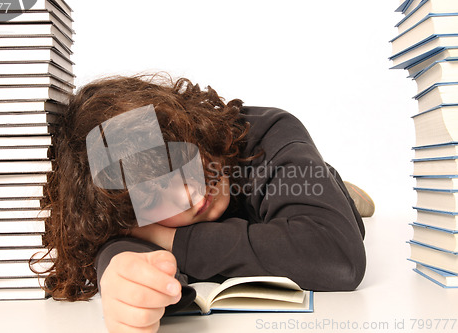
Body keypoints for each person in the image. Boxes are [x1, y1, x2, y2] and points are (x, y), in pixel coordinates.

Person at [41, 74, 370, 333]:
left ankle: (332, 186)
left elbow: (338, 257)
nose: (192, 195)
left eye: (181, 160)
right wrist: (116, 266)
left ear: (191, 127)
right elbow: (121, 252)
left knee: (324, 195)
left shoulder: (270, 132)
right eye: (154, 198)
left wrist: (171, 239)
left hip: (293, 179)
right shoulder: (130, 221)